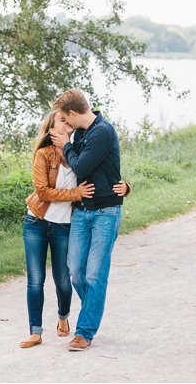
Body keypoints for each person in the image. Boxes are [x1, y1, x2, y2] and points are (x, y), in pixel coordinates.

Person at [20, 109, 129, 349]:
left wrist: (124, 186)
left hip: (65, 224)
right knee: (41, 278)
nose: (67, 122)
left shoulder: (78, 146)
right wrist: (76, 193)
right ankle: (36, 331)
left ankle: (75, 320)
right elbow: (42, 192)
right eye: (62, 120)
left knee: (66, 279)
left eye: (67, 118)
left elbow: (103, 167)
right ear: (52, 130)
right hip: (37, 222)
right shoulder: (44, 154)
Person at [49, 89, 126, 352]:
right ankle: (94, 307)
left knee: (95, 274)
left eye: (63, 116)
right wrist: (69, 141)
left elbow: (80, 167)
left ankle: (84, 332)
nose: (63, 121)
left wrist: (66, 145)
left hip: (106, 212)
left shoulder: (103, 131)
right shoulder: (80, 133)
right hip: (81, 211)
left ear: (72, 113)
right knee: (76, 271)